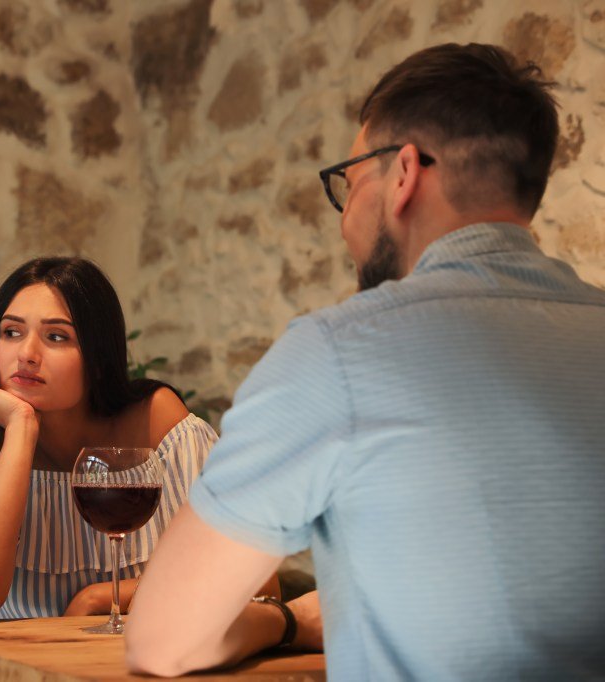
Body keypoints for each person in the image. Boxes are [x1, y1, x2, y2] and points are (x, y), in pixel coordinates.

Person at [126, 43, 605, 679]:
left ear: (404, 174)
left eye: (349, 184)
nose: (346, 217)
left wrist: (290, 620)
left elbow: (163, 640)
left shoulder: (338, 353)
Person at [0, 257, 248, 624]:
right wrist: (21, 430)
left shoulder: (159, 425)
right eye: (11, 332)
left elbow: (253, 579)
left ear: (99, 360)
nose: (26, 354)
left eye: (56, 337)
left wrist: (100, 598)